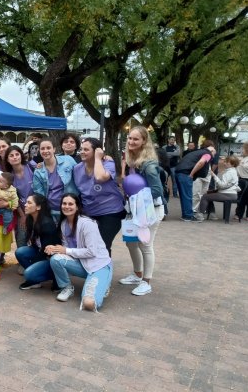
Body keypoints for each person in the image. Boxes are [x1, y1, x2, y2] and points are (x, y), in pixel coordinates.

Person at [120, 126, 165, 296]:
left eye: (135, 139)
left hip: (150, 210)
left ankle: (146, 282)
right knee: (131, 242)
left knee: (145, 245)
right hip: (136, 210)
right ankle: (137, 274)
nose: (131, 141)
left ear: (144, 141)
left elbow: (157, 190)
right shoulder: (133, 159)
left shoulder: (148, 165)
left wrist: (138, 198)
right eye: (129, 138)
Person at [47, 193, 112, 311]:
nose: (66, 206)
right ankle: (67, 288)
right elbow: (67, 249)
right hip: (81, 263)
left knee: (88, 304)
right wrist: (55, 248)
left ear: (77, 207)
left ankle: (104, 282)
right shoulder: (63, 224)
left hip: (98, 266)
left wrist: (65, 250)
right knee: (56, 259)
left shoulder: (88, 224)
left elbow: (91, 252)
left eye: (70, 204)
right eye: (64, 203)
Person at [73, 138, 125, 256]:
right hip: (89, 212)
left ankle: (104, 273)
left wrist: (97, 158)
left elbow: (100, 177)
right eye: (81, 149)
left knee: (103, 245)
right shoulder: (77, 169)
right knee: (90, 245)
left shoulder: (108, 164)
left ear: (97, 151)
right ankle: (93, 270)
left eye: (86, 149)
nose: (82, 152)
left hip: (110, 212)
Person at [15, 194, 61, 290]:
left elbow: (46, 251)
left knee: (28, 273)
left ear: (38, 207)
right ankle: (36, 280)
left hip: (51, 257)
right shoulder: (30, 219)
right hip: (40, 251)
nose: (25, 205)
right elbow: (36, 244)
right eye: (26, 202)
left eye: (29, 203)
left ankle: (57, 277)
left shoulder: (46, 223)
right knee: (20, 252)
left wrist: (34, 265)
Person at [32, 138, 77, 220]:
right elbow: (39, 194)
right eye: (42, 148)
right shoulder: (38, 171)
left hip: (70, 208)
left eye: (48, 148)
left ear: (54, 149)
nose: (45, 151)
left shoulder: (68, 160)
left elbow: (80, 174)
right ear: (39, 151)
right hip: (51, 211)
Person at [175, 140, 216, 221]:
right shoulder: (208, 154)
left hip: (179, 172)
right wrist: (191, 174)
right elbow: (201, 163)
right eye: (214, 153)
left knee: (184, 196)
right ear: (212, 150)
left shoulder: (198, 152)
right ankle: (188, 216)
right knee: (188, 196)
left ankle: (185, 215)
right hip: (185, 173)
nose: (213, 156)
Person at [4, 145, 35, 249]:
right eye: (11, 155)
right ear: (7, 159)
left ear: (21, 156)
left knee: (37, 237)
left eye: (17, 154)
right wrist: (22, 216)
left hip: (37, 209)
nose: (15, 157)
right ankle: (22, 262)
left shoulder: (31, 167)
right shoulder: (9, 177)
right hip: (21, 211)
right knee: (21, 238)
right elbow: (14, 199)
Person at [195, 155, 240, 221]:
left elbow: (222, 185)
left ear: (232, 164)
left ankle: (200, 215)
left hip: (227, 195)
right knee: (209, 194)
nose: (224, 163)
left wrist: (214, 176)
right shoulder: (233, 171)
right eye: (225, 161)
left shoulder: (229, 173)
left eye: (226, 162)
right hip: (232, 194)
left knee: (205, 197)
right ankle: (212, 214)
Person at [235, 141, 248, 221]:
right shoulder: (242, 159)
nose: (242, 150)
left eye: (243, 149)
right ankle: (238, 214)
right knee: (241, 198)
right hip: (241, 179)